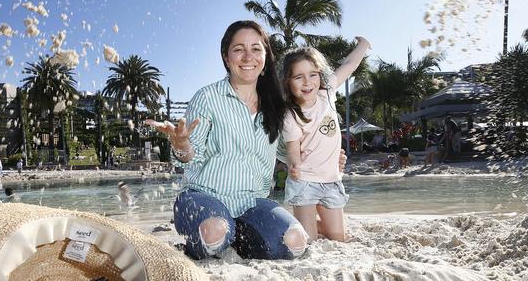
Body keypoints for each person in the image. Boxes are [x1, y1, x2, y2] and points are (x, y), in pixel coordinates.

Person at [146, 20, 336, 260]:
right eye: (239, 49)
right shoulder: (208, 97)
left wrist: (328, 156)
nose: (248, 57)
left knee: (294, 242)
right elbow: (190, 159)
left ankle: (238, 237)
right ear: (226, 57)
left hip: (252, 202)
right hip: (202, 197)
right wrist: (182, 145)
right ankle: (211, 239)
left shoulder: (276, 106)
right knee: (215, 232)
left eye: (256, 49)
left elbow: (288, 150)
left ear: (265, 56)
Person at [278, 38, 370, 243]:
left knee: (337, 237)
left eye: (313, 74)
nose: (307, 82)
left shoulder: (327, 93)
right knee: (307, 239)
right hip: (305, 180)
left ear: (320, 74)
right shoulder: (290, 114)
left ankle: (305, 223)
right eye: (298, 77)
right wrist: (293, 164)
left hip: (331, 179)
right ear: (288, 82)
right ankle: (302, 224)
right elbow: (292, 148)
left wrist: (363, 45)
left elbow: (349, 65)